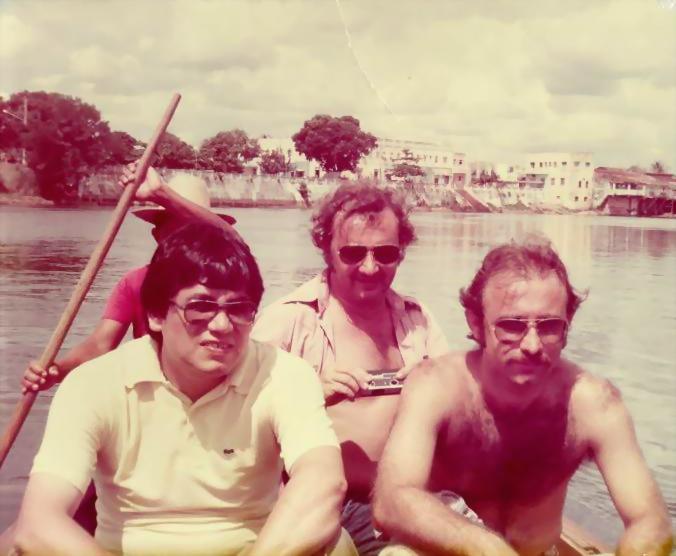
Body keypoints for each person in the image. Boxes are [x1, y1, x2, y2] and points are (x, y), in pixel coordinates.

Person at [3, 222, 352, 556]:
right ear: (155, 315)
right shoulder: (92, 384)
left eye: (239, 309)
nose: (221, 326)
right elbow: (39, 520)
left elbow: (323, 482)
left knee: (336, 543)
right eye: (200, 308)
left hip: (255, 547)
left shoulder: (286, 375)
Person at [372, 240, 673, 556]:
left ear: (567, 327)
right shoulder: (436, 386)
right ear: (475, 324)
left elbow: (650, 520)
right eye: (511, 326)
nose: (531, 344)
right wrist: (488, 548)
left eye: (549, 327)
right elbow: (392, 501)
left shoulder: (595, 405)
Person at [252, 183, 452, 555]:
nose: (370, 267)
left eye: (386, 253)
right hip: (319, 502)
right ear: (326, 249)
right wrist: (308, 396)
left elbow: (460, 421)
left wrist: (440, 388)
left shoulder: (419, 320)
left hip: (410, 499)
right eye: (353, 253)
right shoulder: (287, 321)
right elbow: (234, 427)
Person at [21, 168, 238, 394]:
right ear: (158, 234)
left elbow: (231, 240)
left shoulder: (230, 279)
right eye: (177, 226)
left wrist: (160, 193)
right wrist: (58, 370)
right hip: (155, 394)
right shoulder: (136, 282)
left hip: (215, 396)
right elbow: (100, 344)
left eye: (195, 228)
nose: (187, 238)